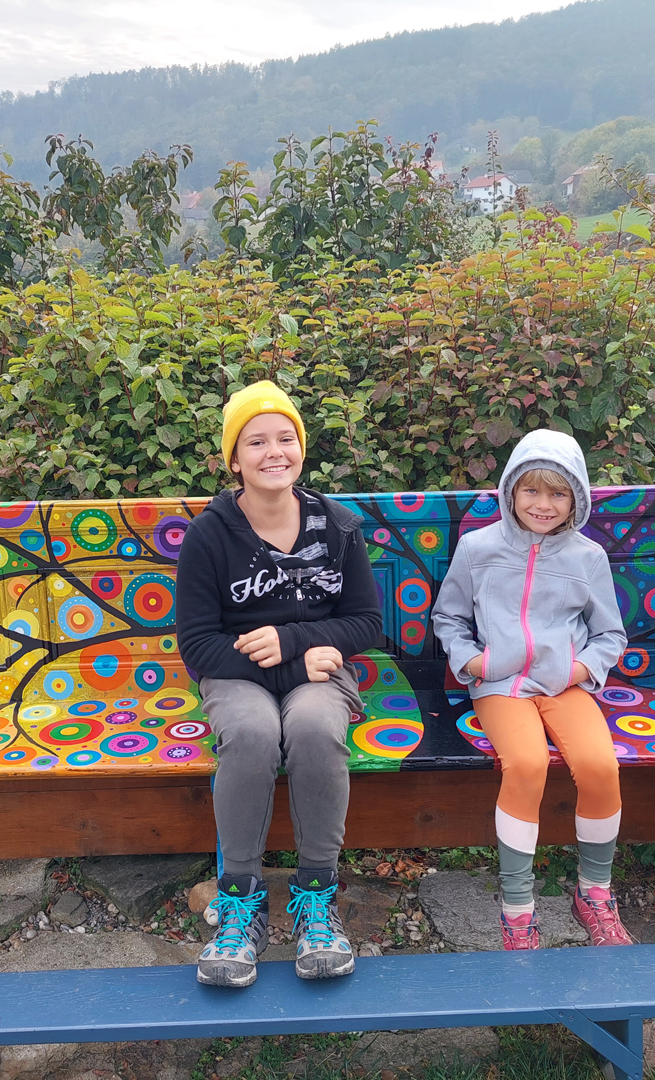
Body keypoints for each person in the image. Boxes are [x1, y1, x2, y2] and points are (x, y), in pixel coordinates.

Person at [176, 380, 383, 987]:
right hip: (236, 674)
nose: (274, 452)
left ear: (302, 448)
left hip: (318, 671)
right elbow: (198, 644)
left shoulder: (337, 527)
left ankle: (317, 897)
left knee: (315, 726)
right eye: (256, 441)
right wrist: (291, 664)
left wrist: (294, 642)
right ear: (233, 460)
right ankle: (240, 904)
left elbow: (366, 621)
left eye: (286, 438)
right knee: (251, 732)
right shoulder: (210, 534)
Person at [431, 429, 633, 950]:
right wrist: (472, 661)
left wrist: (580, 670)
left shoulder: (588, 557)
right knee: (526, 764)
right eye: (531, 490)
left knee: (599, 765)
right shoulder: (478, 548)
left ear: (576, 498)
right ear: (511, 491)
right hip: (499, 685)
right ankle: (518, 911)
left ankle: (594, 894)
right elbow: (448, 617)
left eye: (558, 493)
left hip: (564, 686)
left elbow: (610, 634)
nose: (543, 504)